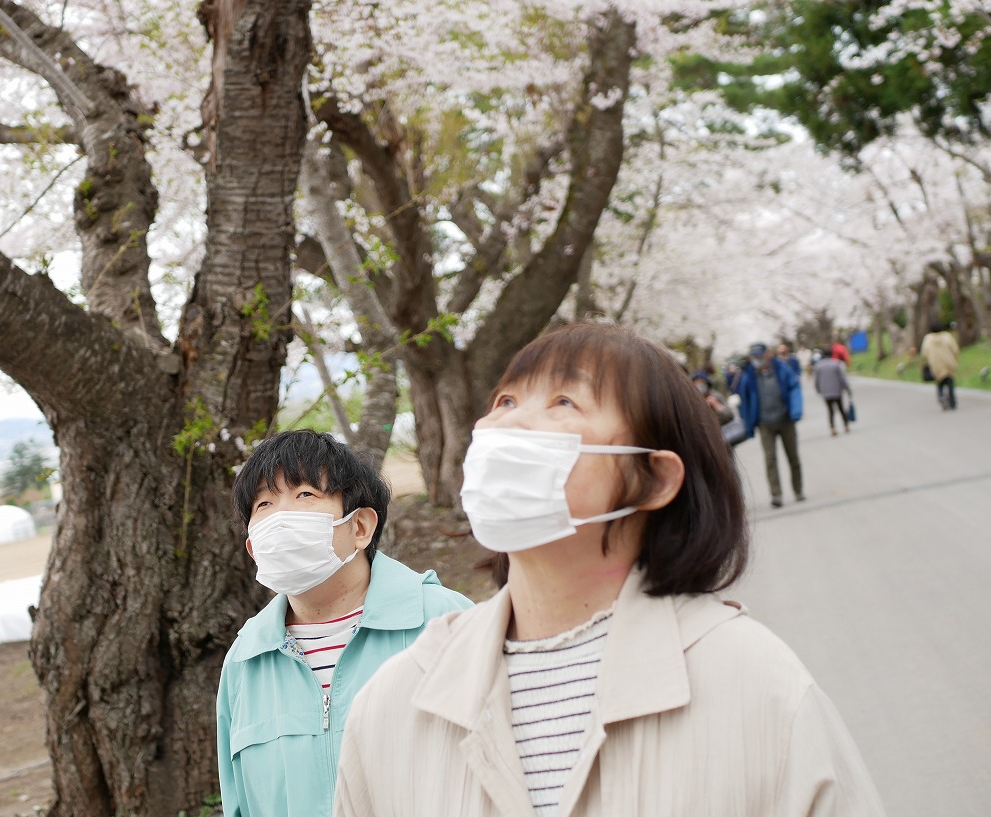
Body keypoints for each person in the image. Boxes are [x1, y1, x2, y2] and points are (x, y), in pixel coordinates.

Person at [333, 324, 885, 817]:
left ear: (653, 478)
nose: (511, 422)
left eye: (564, 401)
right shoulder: (397, 701)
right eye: (504, 400)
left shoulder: (758, 687)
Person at [217, 429, 471, 817]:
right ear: (254, 546)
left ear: (360, 527)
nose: (281, 516)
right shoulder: (246, 659)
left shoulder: (447, 622)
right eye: (264, 503)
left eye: (305, 494)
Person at [736, 342, 804, 508]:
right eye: (754, 357)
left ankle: (798, 490)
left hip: (785, 419)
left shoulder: (782, 369)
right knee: (770, 459)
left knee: (793, 457)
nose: (757, 360)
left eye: (759, 356)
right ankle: (776, 494)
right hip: (765, 423)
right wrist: (749, 424)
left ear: (768, 355)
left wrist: (796, 410)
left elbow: (794, 387)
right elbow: (743, 401)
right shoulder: (749, 376)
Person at [918, 323, 960, 411]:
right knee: (950, 383)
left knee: (939, 382)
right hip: (948, 362)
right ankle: (952, 403)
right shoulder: (947, 336)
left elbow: (924, 352)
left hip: (935, 364)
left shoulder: (928, 338)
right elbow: (955, 348)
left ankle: (941, 397)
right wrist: (955, 358)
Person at [813, 349, 853, 435]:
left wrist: (818, 389)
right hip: (837, 390)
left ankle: (832, 428)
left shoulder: (818, 366)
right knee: (841, 408)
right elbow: (843, 378)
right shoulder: (836, 363)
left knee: (830, 410)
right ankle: (846, 426)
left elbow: (816, 380)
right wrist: (847, 388)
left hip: (825, 391)